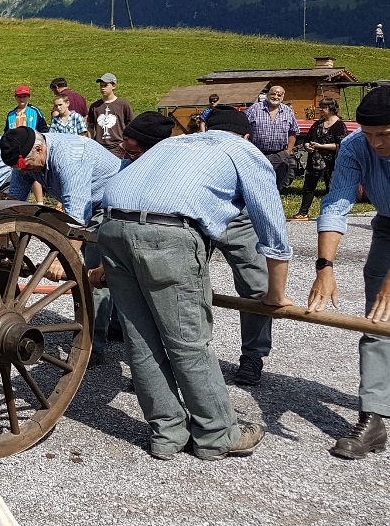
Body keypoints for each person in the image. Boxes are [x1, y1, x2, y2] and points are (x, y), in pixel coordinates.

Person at [94, 104, 290, 460]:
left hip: (110, 226)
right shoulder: (244, 150)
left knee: (140, 340)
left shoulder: (174, 144)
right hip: (166, 233)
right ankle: (217, 434)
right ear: (246, 136)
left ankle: (167, 434)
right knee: (187, 340)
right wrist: (274, 294)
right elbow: (271, 225)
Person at [121, 108, 276, 387]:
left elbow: (266, 210)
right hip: (194, 216)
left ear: (245, 138)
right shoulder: (188, 147)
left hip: (237, 219)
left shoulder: (245, 153)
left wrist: (275, 279)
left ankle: (253, 355)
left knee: (255, 288)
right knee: (174, 286)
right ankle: (168, 362)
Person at [308, 86, 390, 460]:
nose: (375, 143)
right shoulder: (356, 146)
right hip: (387, 225)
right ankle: (373, 418)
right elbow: (337, 202)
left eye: (384, 135)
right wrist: (324, 266)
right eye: (370, 133)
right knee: (378, 318)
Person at [0, 127, 121, 362]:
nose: (25, 172)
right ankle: (114, 326)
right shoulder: (26, 158)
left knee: (95, 274)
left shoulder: (70, 157)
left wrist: (60, 257)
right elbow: (14, 202)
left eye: (27, 165)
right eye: (20, 169)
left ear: (39, 147)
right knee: (108, 266)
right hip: (87, 203)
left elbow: (76, 216)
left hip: (109, 203)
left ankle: (93, 347)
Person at [292, 97, 348, 220]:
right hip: (314, 162)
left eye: (323, 107)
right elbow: (307, 139)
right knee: (308, 188)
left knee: (331, 188)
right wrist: (307, 146)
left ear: (331, 109)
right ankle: (303, 212)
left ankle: (331, 213)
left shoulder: (339, 125)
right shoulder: (318, 124)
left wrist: (322, 146)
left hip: (330, 163)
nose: (320, 109)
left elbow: (341, 144)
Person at [245, 84, 300, 191]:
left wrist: (287, 152)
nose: (276, 97)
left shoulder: (288, 111)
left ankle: (273, 205)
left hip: (279, 155)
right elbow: (244, 128)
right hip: (258, 153)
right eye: (273, 94)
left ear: (283, 97)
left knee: (276, 186)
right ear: (268, 95)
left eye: (279, 95)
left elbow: (293, 133)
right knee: (257, 185)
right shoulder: (255, 108)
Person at [87, 72, 133, 158]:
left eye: (105, 85)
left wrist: (125, 143)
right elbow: (90, 126)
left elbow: (131, 125)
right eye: (101, 86)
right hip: (100, 147)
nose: (103, 88)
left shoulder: (122, 104)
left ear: (113, 86)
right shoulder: (95, 106)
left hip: (117, 147)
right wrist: (91, 142)